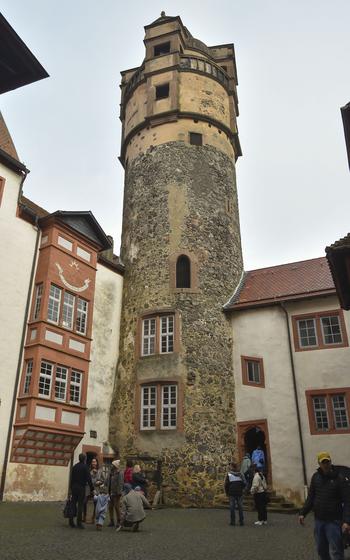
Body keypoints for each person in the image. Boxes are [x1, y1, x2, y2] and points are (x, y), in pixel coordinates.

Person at [299, 451, 350, 560]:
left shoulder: (339, 478)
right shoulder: (315, 477)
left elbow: (347, 501)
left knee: (336, 551)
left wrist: (346, 521)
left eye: (327, 462)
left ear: (330, 462)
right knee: (321, 550)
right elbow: (311, 497)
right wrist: (303, 513)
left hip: (334, 521)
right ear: (319, 464)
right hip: (319, 521)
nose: (326, 464)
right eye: (323, 462)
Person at [69, 453, 94, 529]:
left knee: (73, 504)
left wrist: (70, 488)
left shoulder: (75, 467)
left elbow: (71, 478)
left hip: (74, 487)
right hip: (81, 488)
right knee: (80, 505)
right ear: (85, 459)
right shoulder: (85, 467)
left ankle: (71, 521)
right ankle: (79, 522)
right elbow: (89, 478)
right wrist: (92, 488)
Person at [224, 461, 246, 526]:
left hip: (231, 493)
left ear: (232, 467)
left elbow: (226, 484)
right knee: (240, 507)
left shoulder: (229, 474)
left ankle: (232, 521)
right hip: (239, 492)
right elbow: (245, 483)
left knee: (232, 508)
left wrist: (227, 492)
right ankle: (241, 521)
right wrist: (242, 488)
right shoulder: (240, 474)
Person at [83, 456, 104, 523]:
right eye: (92, 462)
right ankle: (84, 517)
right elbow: (86, 478)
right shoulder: (88, 469)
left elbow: (103, 480)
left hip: (96, 488)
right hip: (88, 488)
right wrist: (91, 472)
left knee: (96, 504)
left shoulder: (100, 470)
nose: (93, 463)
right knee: (84, 502)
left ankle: (93, 518)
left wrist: (99, 482)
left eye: (95, 462)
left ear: (97, 463)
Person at [107, 459, 124, 527]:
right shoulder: (111, 473)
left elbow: (120, 483)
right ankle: (112, 521)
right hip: (110, 492)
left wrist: (119, 492)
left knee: (117, 507)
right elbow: (107, 480)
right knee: (110, 507)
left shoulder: (120, 473)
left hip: (116, 492)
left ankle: (119, 521)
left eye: (112, 464)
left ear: (115, 466)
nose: (111, 466)